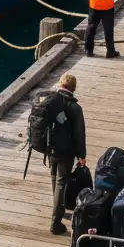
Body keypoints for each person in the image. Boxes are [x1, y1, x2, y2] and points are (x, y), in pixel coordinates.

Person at [49, 73, 87, 234]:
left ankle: (59, 208)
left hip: (50, 148)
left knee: (54, 178)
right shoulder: (75, 108)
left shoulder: (50, 101)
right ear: (73, 88)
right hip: (66, 151)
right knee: (61, 181)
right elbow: (79, 134)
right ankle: (55, 222)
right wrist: (82, 155)